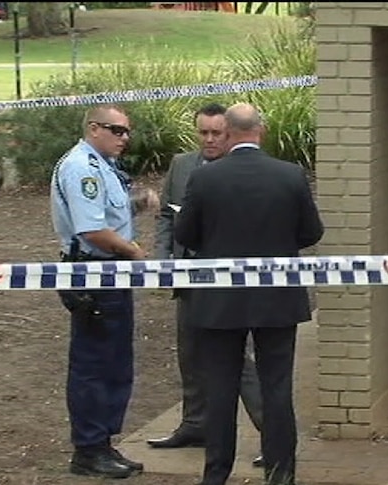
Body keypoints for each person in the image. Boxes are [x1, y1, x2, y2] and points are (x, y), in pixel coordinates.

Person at [174, 102, 324, 485]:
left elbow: (185, 235)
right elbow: (311, 232)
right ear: (262, 129)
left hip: (220, 300)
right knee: (277, 387)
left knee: (221, 390)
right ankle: (280, 472)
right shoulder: (290, 175)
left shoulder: (206, 178)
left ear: (227, 132)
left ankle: (216, 474)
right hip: (277, 298)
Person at [148, 102, 265, 468]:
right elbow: (167, 213)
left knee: (239, 362)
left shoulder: (243, 170)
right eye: (203, 133)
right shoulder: (183, 166)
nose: (210, 140)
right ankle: (194, 424)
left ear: (230, 133)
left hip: (228, 282)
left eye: (217, 133)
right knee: (190, 353)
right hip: (187, 275)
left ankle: (271, 432)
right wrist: (164, 258)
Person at [50, 103, 159, 479]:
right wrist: (133, 251)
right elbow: (92, 231)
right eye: (117, 130)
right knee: (95, 364)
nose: (124, 138)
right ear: (94, 128)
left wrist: (135, 204)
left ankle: (102, 444)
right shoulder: (83, 167)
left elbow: (104, 214)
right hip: (95, 275)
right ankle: (89, 448)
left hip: (109, 274)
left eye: (127, 131)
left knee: (114, 362)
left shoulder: (101, 166)